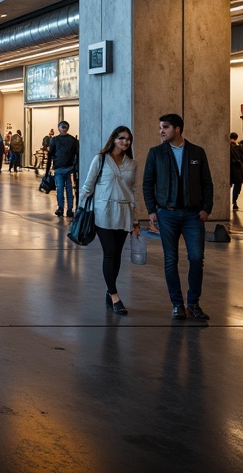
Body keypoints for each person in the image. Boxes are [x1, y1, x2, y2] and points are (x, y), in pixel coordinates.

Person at [142, 112, 214, 321]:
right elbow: (148, 183)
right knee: (171, 259)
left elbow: (207, 183)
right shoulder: (155, 153)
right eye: (160, 128)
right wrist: (152, 210)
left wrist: (207, 208)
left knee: (196, 258)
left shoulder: (197, 152)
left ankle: (193, 303)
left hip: (193, 215)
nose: (161, 131)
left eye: (165, 127)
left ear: (177, 129)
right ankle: (177, 305)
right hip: (167, 214)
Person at [78, 125, 138, 315]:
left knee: (117, 256)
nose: (125, 142)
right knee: (110, 253)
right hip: (103, 212)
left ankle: (109, 292)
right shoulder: (101, 159)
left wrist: (136, 220)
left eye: (128, 139)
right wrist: (80, 210)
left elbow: (134, 191)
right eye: (121, 138)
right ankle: (114, 294)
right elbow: (88, 185)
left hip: (124, 212)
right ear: (113, 139)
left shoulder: (132, 163)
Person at [46, 121, 80, 218]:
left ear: (59, 128)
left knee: (60, 189)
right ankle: (70, 210)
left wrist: (47, 170)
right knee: (69, 189)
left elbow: (50, 155)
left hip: (59, 168)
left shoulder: (55, 140)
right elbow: (76, 155)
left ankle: (60, 208)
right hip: (69, 168)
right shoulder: (73, 140)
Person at [229, 132, 242, 211]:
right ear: (236, 138)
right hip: (238, 170)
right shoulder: (239, 148)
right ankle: (234, 202)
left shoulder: (227, 146)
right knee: (237, 187)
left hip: (229, 169)